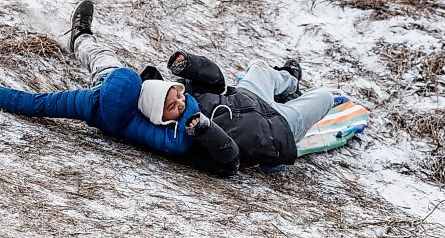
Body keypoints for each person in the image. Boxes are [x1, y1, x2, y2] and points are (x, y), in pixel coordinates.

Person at [0, 0, 199, 155]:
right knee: (101, 57)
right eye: (174, 103)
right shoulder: (135, 123)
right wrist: (190, 104)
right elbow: (176, 143)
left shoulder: (87, 102)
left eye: (178, 99)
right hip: (109, 78)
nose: (180, 103)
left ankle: (80, 36)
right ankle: (80, 36)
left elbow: (38, 104)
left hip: (108, 78)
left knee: (100, 55)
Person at [138, 51, 334, 176]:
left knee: (258, 66)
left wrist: (190, 65)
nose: (181, 103)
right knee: (325, 96)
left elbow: (217, 83)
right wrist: (206, 130)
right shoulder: (186, 138)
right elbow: (229, 163)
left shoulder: (190, 95)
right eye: (172, 107)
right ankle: (289, 98)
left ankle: (290, 81)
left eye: (178, 95)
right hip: (277, 129)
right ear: (161, 119)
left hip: (249, 95)